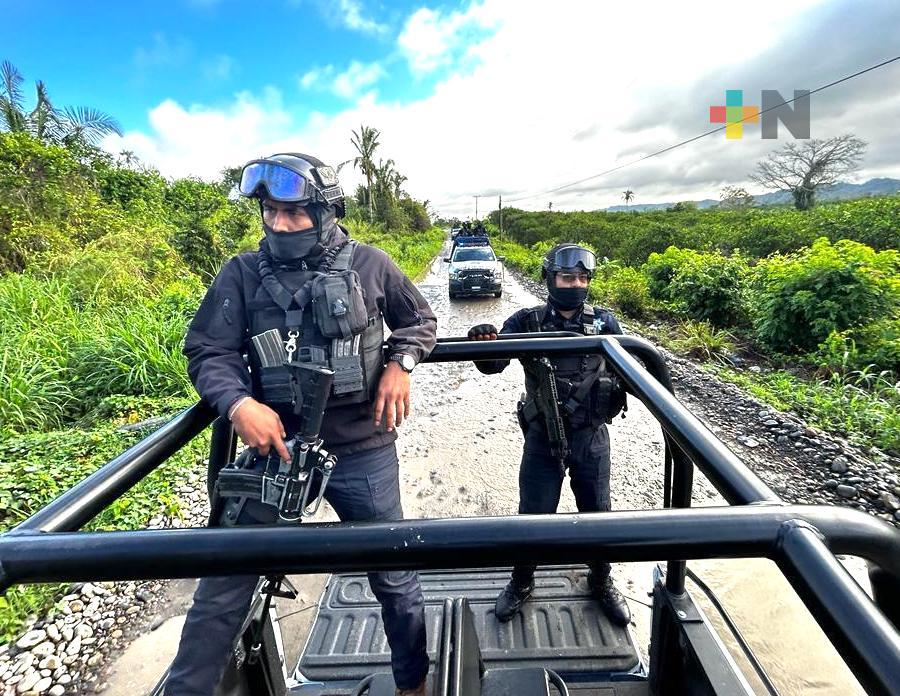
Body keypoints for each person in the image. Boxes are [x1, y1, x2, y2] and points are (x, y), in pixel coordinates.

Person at [166, 153, 436, 696]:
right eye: (271, 212)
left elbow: (421, 320)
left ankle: (413, 685)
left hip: (362, 446)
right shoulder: (241, 274)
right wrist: (239, 404)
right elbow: (208, 350)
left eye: (294, 214)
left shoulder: (371, 264)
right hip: (276, 451)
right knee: (222, 583)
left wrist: (400, 364)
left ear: (325, 210)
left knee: (396, 577)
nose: (280, 225)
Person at [467, 243, 631, 626]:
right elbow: (493, 364)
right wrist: (482, 342)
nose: (574, 284)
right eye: (566, 277)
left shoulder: (605, 322)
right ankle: (522, 581)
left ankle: (601, 580)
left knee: (598, 514)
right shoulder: (527, 321)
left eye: (581, 278)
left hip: (592, 437)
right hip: (542, 438)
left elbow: (631, 371)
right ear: (550, 279)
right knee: (533, 517)